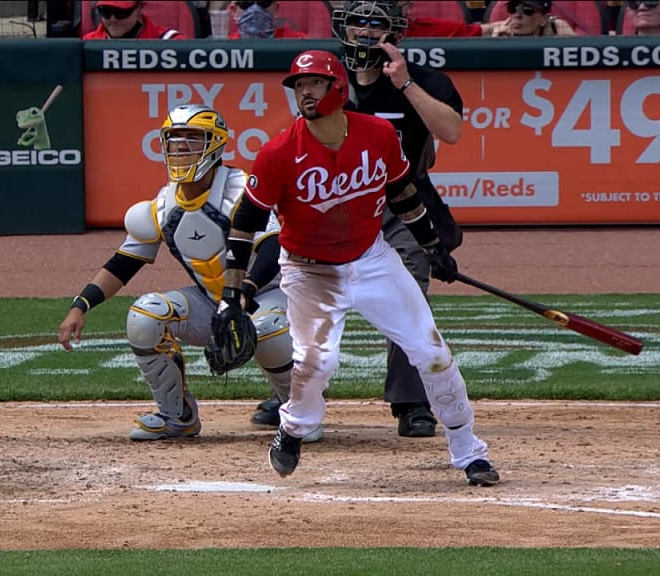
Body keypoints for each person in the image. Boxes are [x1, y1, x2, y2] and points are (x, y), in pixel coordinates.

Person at [218, 49, 500, 486]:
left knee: (434, 354)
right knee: (316, 363)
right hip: (310, 273)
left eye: (313, 83)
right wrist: (230, 296)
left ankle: (468, 451)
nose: (304, 92)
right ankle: (292, 428)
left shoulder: (379, 134)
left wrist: (432, 245)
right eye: (298, 85)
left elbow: (403, 194)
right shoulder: (278, 152)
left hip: (373, 260)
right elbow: (245, 225)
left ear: (338, 88)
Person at [58, 104, 323, 444]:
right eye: (174, 139)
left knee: (268, 329)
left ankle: (298, 414)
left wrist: (243, 293)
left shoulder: (242, 189)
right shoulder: (163, 204)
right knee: (145, 315)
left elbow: (273, 246)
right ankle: (176, 416)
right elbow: (124, 263)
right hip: (213, 302)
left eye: (193, 138)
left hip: (272, 293)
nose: (181, 147)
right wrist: (80, 306)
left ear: (215, 145)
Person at [339, 0, 465, 438]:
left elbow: (450, 132)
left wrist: (405, 82)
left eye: (378, 24)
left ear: (396, 33)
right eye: (359, 22)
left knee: (408, 295)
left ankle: (411, 403)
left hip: (404, 204)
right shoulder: (326, 78)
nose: (367, 32)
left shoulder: (428, 81)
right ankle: (290, 393)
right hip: (337, 205)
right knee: (305, 293)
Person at [82, 0, 185, 40]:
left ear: (139, 8)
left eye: (121, 12)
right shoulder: (87, 43)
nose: (113, 19)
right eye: (105, 11)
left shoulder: (169, 41)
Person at [488, 0, 576, 37]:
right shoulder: (501, 28)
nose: (517, 15)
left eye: (527, 10)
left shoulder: (557, 26)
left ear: (544, 19)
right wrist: (495, 42)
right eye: (513, 8)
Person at [226, 1, 308, 39]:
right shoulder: (225, 46)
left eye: (263, 3)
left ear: (276, 9)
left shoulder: (300, 41)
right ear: (234, 10)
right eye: (246, 4)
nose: (255, 10)